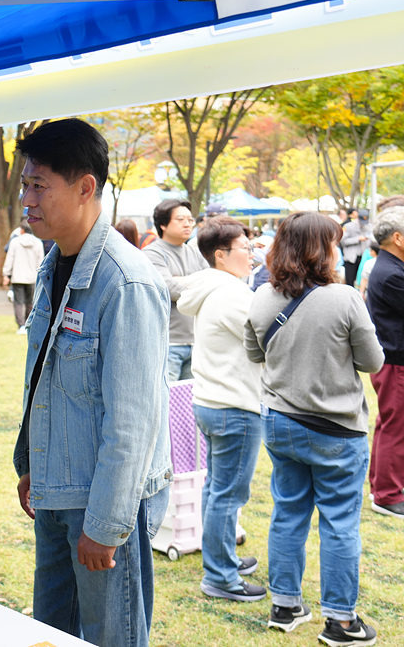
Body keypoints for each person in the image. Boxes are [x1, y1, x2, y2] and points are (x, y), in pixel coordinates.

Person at [12, 119, 171, 647]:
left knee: (113, 636)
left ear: (86, 187)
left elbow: (133, 420)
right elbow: (47, 380)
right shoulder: (52, 263)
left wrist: (104, 524)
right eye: (24, 184)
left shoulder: (125, 280)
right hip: (55, 490)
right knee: (50, 633)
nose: (27, 198)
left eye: (39, 185)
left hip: (101, 502)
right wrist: (32, 464)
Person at [244, 212, 383, 645]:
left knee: (288, 513)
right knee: (340, 523)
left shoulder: (262, 296)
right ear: (322, 249)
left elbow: (254, 352)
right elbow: (373, 362)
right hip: (336, 429)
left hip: (281, 421)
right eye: (335, 243)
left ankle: (285, 605)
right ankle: (341, 621)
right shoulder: (343, 298)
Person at [177, 218, 265, 603]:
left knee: (217, 489)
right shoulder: (231, 294)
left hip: (213, 401)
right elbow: (265, 342)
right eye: (244, 248)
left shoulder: (214, 288)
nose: (251, 254)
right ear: (220, 255)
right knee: (227, 494)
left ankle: (221, 558)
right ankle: (220, 576)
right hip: (235, 405)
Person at [143, 199, 209, 381]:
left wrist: (182, 281)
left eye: (190, 219)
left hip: (196, 342)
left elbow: (212, 284)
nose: (187, 223)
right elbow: (170, 289)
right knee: (167, 403)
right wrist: (197, 285)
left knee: (188, 404)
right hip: (168, 343)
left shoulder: (194, 252)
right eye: (180, 219)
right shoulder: (152, 253)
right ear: (163, 224)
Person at [366, 207, 404, 520]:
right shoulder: (391, 273)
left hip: (390, 358)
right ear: (398, 238)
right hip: (394, 360)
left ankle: (382, 485)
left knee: (389, 425)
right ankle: (387, 495)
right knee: (395, 427)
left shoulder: (390, 266)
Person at [3, 220, 44, 333]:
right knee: (30, 301)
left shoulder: (15, 242)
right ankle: (28, 323)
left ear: (22, 230)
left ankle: (21, 325)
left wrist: (6, 274)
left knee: (18, 302)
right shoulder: (38, 243)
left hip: (18, 276)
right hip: (32, 277)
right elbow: (40, 262)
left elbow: (10, 259)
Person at [341, 208, 369, 288]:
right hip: (351, 258)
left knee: (361, 280)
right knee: (350, 282)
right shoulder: (348, 226)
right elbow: (343, 241)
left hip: (363, 257)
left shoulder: (368, 226)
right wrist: (357, 239)